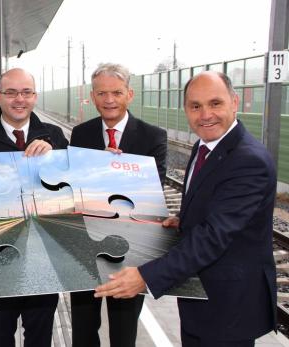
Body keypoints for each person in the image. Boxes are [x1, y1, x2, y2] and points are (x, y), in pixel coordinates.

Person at [94, 71, 277, 346]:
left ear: (235, 102)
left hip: (229, 306)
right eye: (195, 106)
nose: (205, 115)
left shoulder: (248, 161)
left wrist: (145, 277)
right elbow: (215, 205)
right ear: (186, 109)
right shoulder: (205, 146)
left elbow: (214, 237)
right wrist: (183, 219)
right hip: (200, 299)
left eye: (215, 103)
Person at [0, 67, 68, 347]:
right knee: (0, 334)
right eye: (11, 93)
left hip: (44, 257)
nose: (19, 99)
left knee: (40, 336)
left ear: (35, 96)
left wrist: (55, 156)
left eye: (26, 92)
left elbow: (73, 188)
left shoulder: (55, 137)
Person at [69, 63, 167, 347]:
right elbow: (75, 188)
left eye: (116, 92)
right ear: (93, 96)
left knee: (124, 333)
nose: (109, 100)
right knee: (83, 331)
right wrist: (99, 167)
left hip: (131, 251)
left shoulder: (152, 136)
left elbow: (153, 190)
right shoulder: (81, 134)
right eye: (101, 93)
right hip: (85, 247)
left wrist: (109, 170)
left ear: (130, 94)